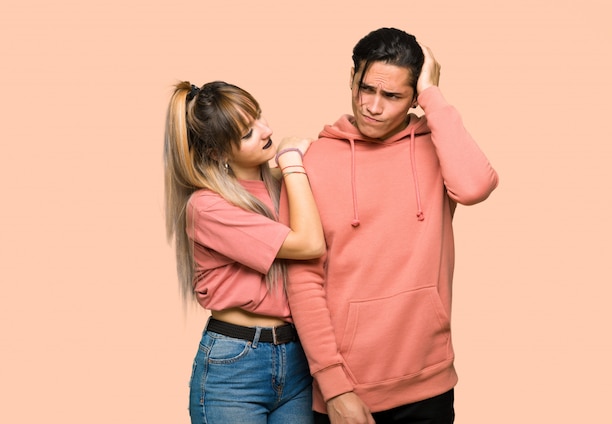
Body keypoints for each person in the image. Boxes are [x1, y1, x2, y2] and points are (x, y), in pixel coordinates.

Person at [281, 28, 499, 423]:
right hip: (343, 391)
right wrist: (334, 387)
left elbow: (474, 186)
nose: (373, 107)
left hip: (428, 384)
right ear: (352, 78)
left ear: (414, 97)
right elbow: (302, 280)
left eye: (393, 96)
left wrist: (433, 94)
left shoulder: (439, 147)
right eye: (366, 89)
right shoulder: (311, 162)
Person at [164, 80, 325, 423]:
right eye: (247, 132)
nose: (266, 131)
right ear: (218, 153)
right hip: (235, 366)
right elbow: (310, 244)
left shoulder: (285, 185)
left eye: (259, 118)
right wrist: (293, 162)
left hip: (298, 357)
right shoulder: (207, 206)